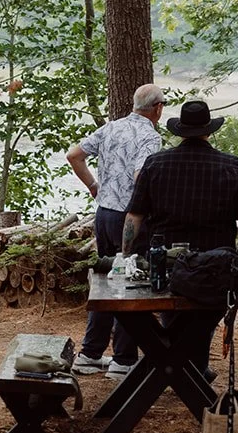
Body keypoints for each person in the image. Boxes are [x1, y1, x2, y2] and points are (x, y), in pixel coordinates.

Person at [122, 98, 238, 376]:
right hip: (216, 266)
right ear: (209, 130)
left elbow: (134, 217)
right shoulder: (231, 166)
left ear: (180, 130)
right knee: (204, 317)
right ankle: (192, 366)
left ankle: (174, 364)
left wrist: (126, 256)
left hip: (167, 264)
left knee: (170, 314)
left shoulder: (155, 163)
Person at [66, 83, 166, 376]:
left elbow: (74, 155)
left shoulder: (111, 128)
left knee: (105, 281)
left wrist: (95, 187)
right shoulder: (150, 136)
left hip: (104, 214)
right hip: (130, 219)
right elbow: (140, 176)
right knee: (130, 283)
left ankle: (91, 353)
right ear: (158, 108)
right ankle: (123, 360)